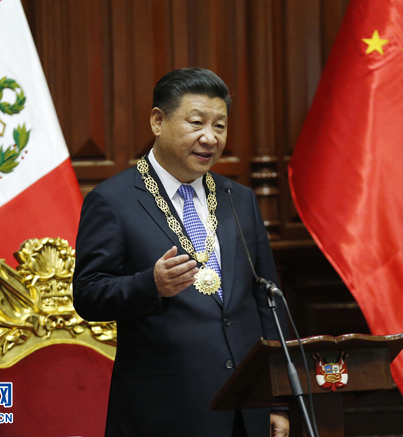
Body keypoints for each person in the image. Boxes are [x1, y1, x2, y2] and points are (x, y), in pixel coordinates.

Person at [73, 67, 290, 437]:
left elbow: (267, 302)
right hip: (165, 411)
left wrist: (277, 401)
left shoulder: (238, 198)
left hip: (245, 409)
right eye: (196, 122)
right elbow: (88, 295)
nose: (210, 137)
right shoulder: (113, 200)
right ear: (158, 121)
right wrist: (151, 285)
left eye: (220, 126)